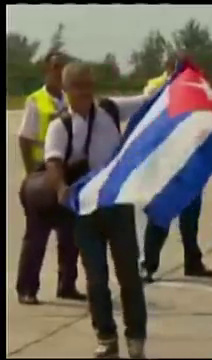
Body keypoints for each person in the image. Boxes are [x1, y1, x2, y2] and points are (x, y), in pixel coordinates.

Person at [44, 61, 150, 358]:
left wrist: (176, 81)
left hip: (117, 205)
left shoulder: (110, 110)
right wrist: (62, 190)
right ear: (65, 90)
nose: (86, 93)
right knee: (96, 279)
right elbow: (53, 164)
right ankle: (106, 337)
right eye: (78, 87)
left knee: (129, 274)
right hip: (85, 212)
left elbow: (148, 101)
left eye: (89, 85)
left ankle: (136, 338)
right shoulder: (60, 126)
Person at [15, 50, 87, 305]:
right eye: (56, 67)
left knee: (70, 235)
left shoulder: (73, 101)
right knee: (37, 235)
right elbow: (24, 139)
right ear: (47, 69)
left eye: (64, 67)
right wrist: (31, 175)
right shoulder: (37, 101)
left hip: (69, 174)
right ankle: (27, 288)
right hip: (42, 175)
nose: (59, 72)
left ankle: (67, 284)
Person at [140, 53, 212, 283]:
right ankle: (148, 264)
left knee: (191, 216)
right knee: (161, 214)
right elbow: (148, 105)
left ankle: (193, 261)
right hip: (166, 159)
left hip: (191, 157)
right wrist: (171, 84)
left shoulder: (196, 86)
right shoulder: (156, 86)